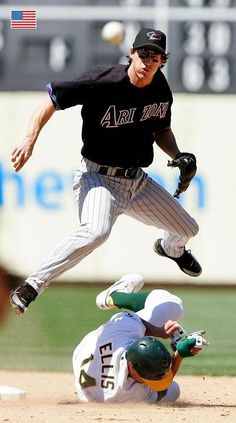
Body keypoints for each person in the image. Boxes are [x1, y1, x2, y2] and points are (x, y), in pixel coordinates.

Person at [10, 27, 201, 314]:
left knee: (189, 228)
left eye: (156, 56)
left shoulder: (160, 87)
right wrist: (29, 138)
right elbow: (52, 97)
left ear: (163, 61)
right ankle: (33, 285)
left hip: (137, 182)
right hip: (97, 177)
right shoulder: (102, 81)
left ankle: (171, 248)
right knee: (96, 231)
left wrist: (178, 154)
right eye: (144, 53)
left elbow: (161, 128)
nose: (148, 61)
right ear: (131, 54)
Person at [72, 273, 208, 403]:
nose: (152, 382)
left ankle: (113, 297)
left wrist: (158, 331)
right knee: (174, 391)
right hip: (94, 370)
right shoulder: (132, 394)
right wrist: (179, 354)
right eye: (146, 379)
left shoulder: (120, 332)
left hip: (89, 348)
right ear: (131, 366)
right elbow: (165, 387)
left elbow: (135, 319)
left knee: (172, 306)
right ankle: (114, 294)